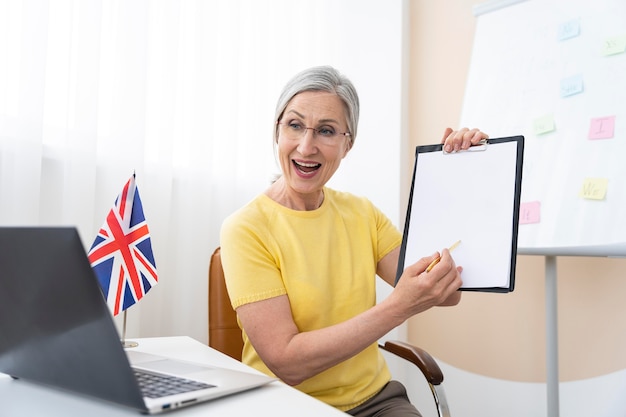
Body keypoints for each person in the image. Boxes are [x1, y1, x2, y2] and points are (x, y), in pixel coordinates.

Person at [220, 65, 488, 417]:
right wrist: (399, 306)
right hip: (287, 406)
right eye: (295, 125)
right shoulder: (245, 228)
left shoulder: (362, 214)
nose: (306, 146)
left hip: (375, 402)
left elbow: (447, 292)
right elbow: (288, 364)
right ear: (277, 131)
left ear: (348, 143)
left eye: (326, 131)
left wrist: (458, 174)